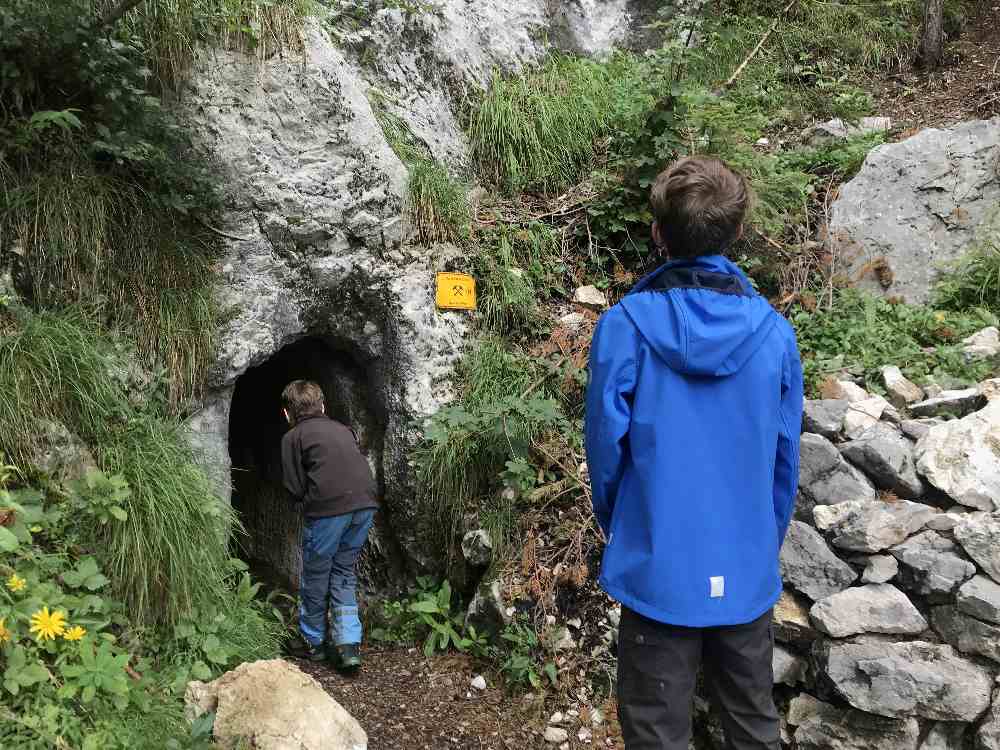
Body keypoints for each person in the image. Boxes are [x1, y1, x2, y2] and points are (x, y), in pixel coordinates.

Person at [584, 156, 803, 749]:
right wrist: (759, 541)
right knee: (753, 725)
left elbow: (605, 453)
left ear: (658, 234)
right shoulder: (775, 334)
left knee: (656, 733)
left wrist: (628, 528)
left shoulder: (624, 327)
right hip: (745, 565)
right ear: (737, 235)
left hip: (657, 567)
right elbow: (785, 462)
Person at [280, 379, 379, 671]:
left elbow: (294, 486)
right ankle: (348, 645)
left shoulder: (293, 437)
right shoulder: (342, 429)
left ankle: (313, 643)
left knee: (315, 575)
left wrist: (306, 505)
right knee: (343, 571)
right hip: (365, 505)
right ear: (323, 406)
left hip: (328, 511)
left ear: (287, 414)